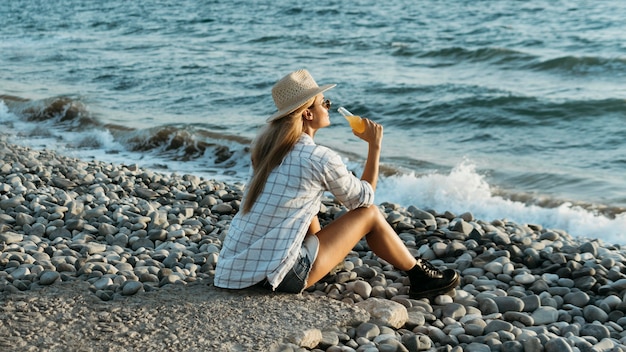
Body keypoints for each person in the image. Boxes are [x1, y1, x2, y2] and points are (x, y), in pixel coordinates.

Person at [213, 69, 459, 298]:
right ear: (308, 113)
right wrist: (374, 146)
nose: (328, 107)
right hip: (276, 277)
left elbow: (302, 207)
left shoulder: (266, 151)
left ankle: (325, 262)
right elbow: (363, 200)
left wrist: (321, 248)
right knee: (370, 215)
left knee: (308, 200)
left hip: (232, 271)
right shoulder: (318, 157)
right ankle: (420, 275)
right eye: (324, 103)